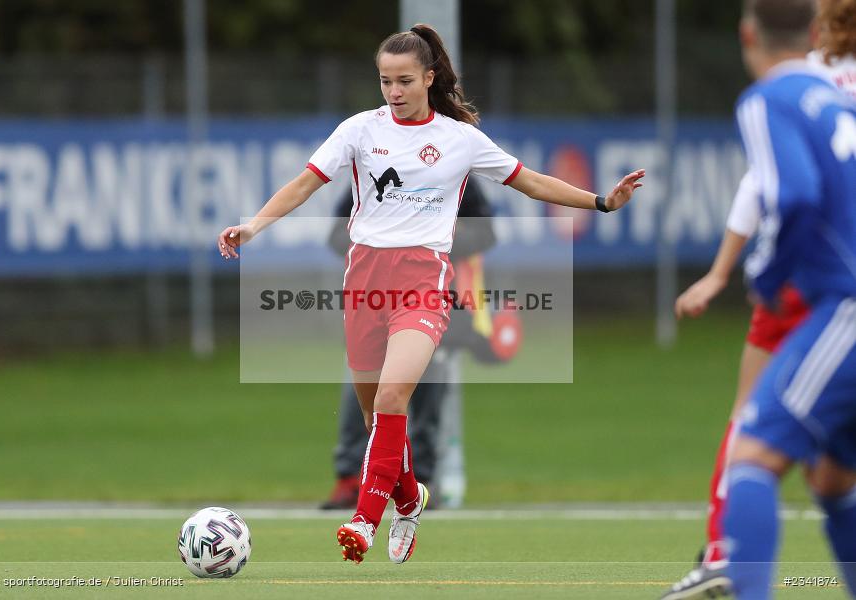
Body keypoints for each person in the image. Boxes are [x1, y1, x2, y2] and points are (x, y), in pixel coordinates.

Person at [218, 23, 644, 565]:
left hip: (425, 280)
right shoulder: (357, 131)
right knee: (377, 422)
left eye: (403, 81)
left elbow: (531, 180)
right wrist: (252, 227)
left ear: (428, 78)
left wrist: (601, 202)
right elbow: (305, 183)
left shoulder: (459, 139)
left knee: (395, 399)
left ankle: (365, 522)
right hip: (364, 281)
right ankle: (409, 497)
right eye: (384, 82)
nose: (393, 92)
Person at [660, 0, 856, 597]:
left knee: (751, 454)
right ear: (812, 29)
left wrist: (764, 277)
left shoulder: (770, 98)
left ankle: (728, 568)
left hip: (843, 307)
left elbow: (787, 193)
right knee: (832, 476)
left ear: (748, 34)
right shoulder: (838, 102)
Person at [321, 177, 498, 510]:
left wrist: (427, 235)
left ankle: (419, 482)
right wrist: (381, 239)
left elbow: (486, 232)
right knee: (361, 392)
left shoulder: (454, 167)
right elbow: (335, 235)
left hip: (430, 295)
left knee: (429, 393)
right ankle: (350, 477)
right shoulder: (375, 167)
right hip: (374, 299)